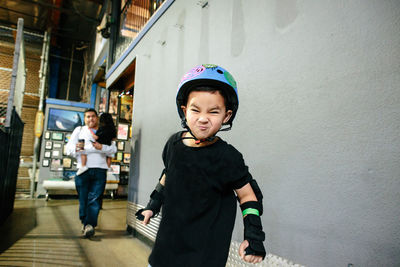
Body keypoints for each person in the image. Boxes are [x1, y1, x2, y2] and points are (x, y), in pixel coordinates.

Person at [136, 64, 266, 266]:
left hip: (205, 255)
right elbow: (168, 174)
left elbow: (248, 195)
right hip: (166, 249)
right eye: (195, 110)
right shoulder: (173, 144)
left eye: (214, 112)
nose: (203, 119)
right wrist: (152, 206)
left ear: (227, 116)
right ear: (184, 111)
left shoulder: (228, 157)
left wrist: (254, 236)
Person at [66, 108, 117, 238]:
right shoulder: (79, 131)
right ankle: (85, 222)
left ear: (97, 118)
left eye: (93, 116)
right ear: (84, 118)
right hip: (83, 170)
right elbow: (68, 149)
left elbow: (113, 149)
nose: (91, 119)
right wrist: (79, 149)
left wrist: (102, 148)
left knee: (94, 199)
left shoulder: (105, 131)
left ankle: (89, 225)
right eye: (88, 117)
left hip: (100, 170)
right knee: (83, 199)